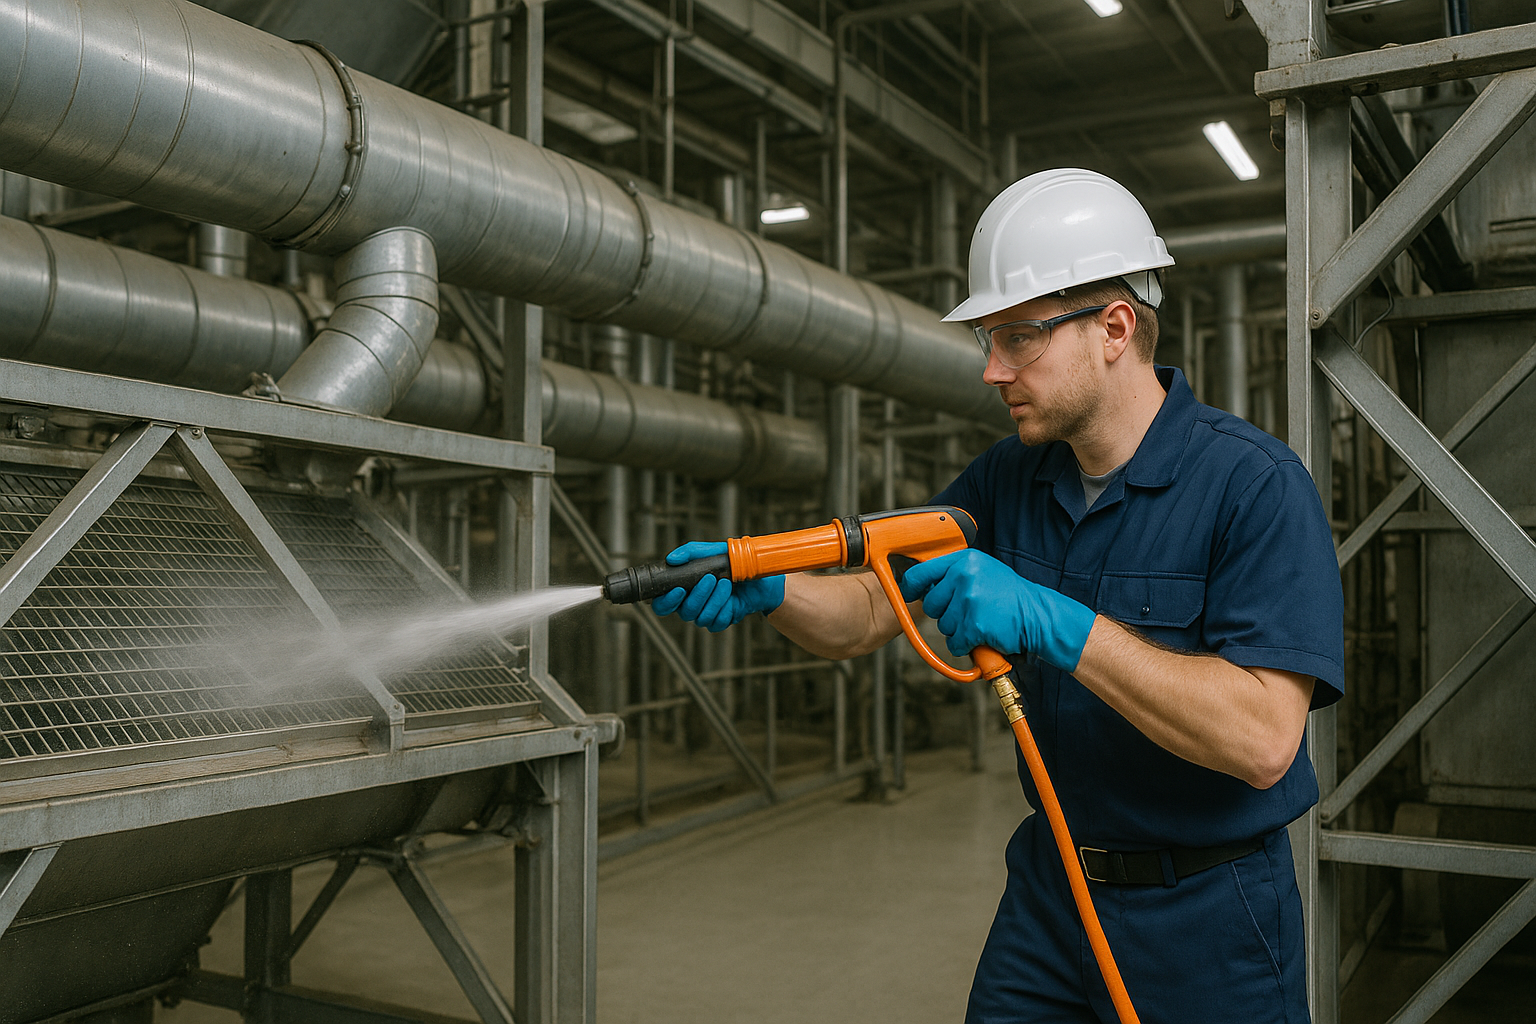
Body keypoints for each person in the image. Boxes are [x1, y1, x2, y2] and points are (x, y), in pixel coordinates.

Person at [652, 168, 1344, 1024]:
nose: (991, 370)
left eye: (1019, 338)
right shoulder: (1008, 478)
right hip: (1050, 896)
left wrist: (1052, 620)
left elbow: (1264, 739)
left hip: (1208, 912)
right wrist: (773, 587)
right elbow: (869, 611)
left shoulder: (1253, 486)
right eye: (989, 338)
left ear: (1115, 328)